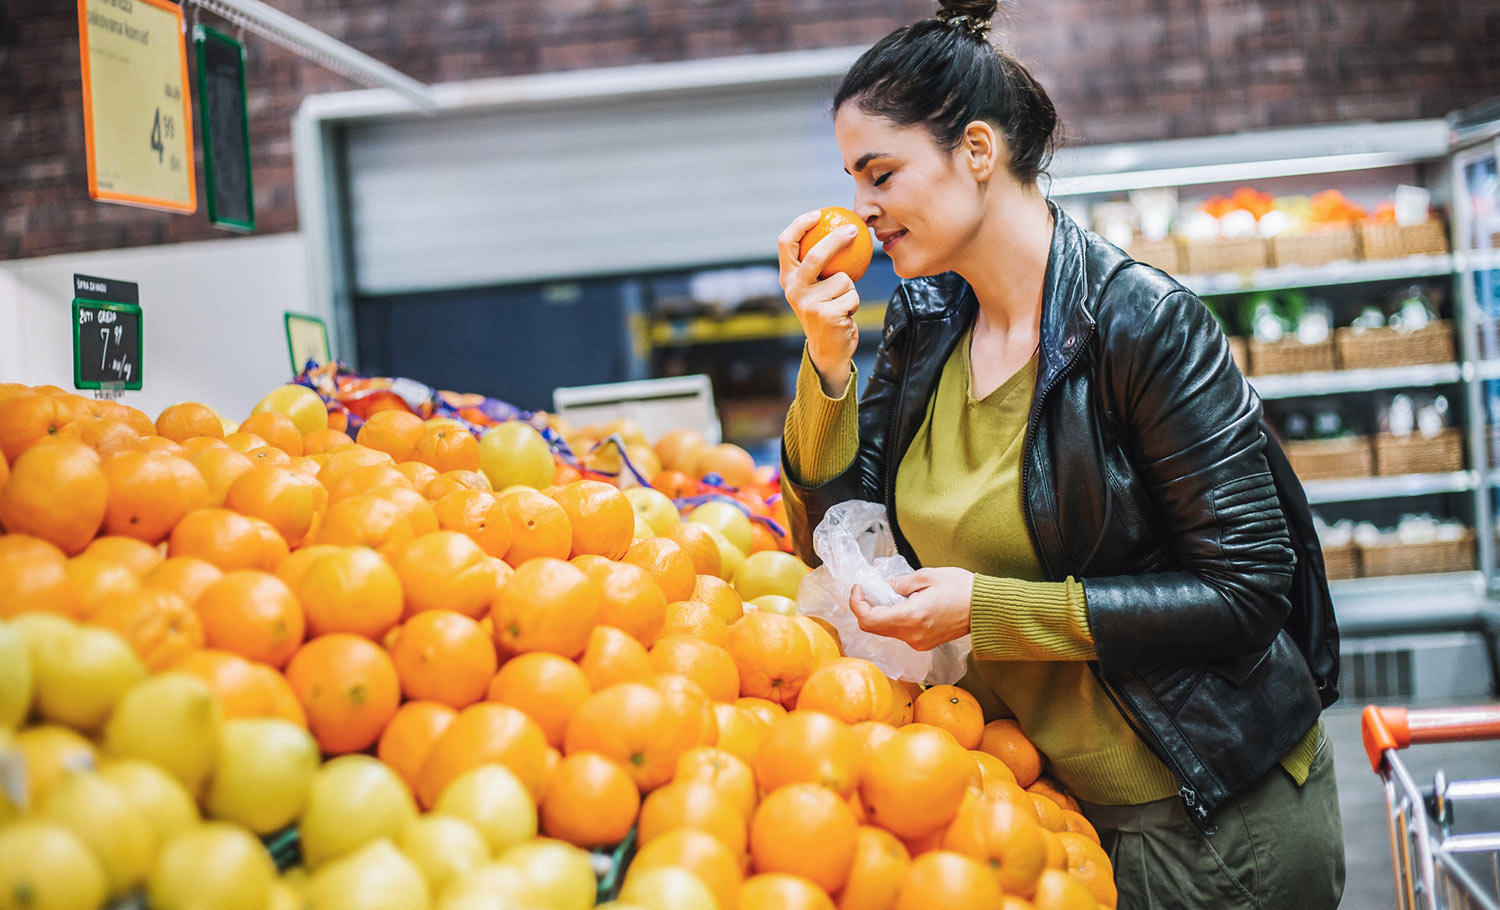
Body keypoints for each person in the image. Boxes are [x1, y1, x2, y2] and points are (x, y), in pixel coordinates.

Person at [775, 1, 1346, 907]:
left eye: (880, 173)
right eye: (852, 179)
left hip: (1203, 824)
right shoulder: (926, 327)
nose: (860, 209)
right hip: (1038, 816)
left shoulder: (1141, 325)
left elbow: (1246, 590)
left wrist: (988, 611)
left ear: (975, 151)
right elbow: (836, 535)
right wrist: (826, 362)